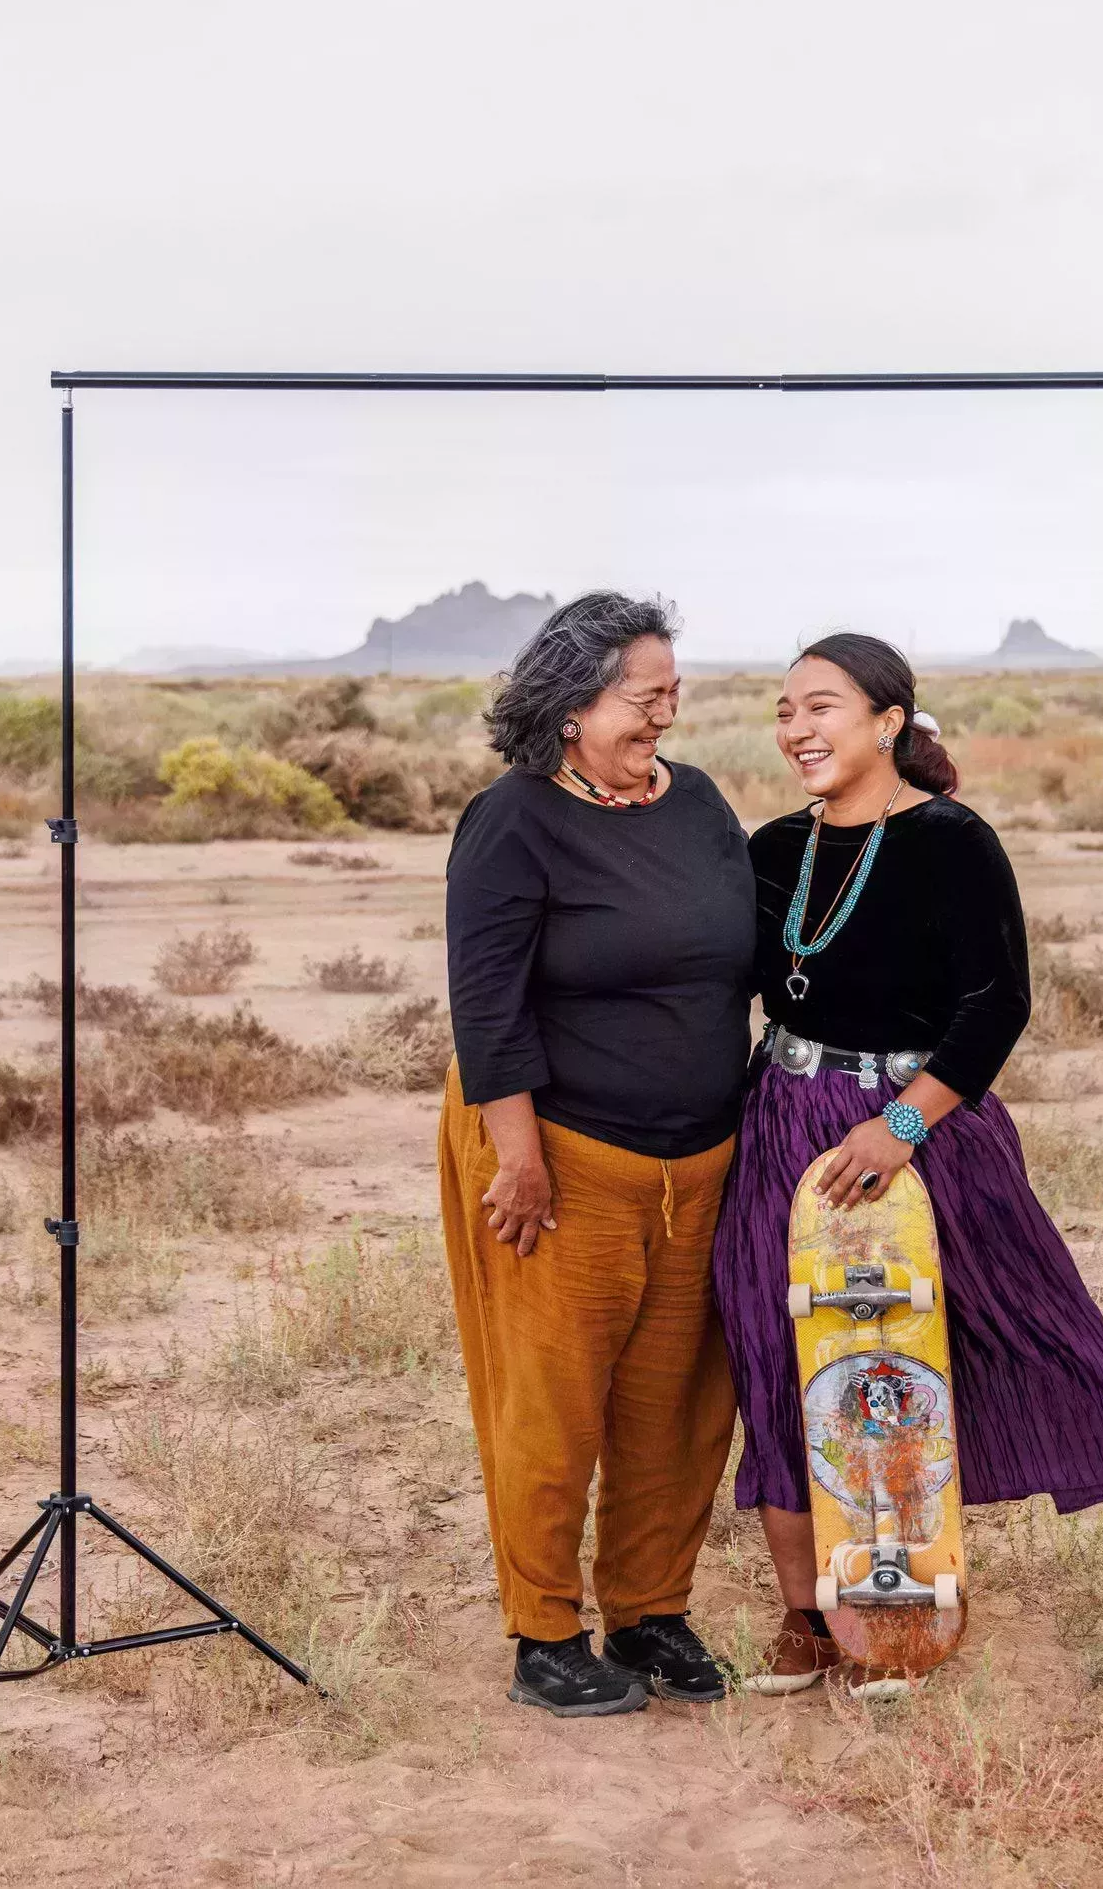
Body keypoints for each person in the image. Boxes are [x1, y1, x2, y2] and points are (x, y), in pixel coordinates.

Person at [712, 632, 1103, 1698]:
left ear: (887, 721)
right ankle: (802, 1616)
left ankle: (901, 1605)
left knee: (901, 1357)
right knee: (778, 1354)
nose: (795, 730)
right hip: (782, 1116)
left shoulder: (953, 841)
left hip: (917, 1129)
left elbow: (995, 1001)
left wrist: (901, 1128)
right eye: (784, 711)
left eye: (820, 707)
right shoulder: (772, 847)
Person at [439, 592, 756, 1717]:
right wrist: (515, 1158)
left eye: (673, 691)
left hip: (703, 1165)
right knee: (555, 1403)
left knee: (675, 1406)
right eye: (645, 695)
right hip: (565, 1159)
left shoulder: (700, 802)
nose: (666, 713)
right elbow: (485, 1007)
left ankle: (650, 1610)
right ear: (573, 704)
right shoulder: (512, 820)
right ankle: (543, 1634)